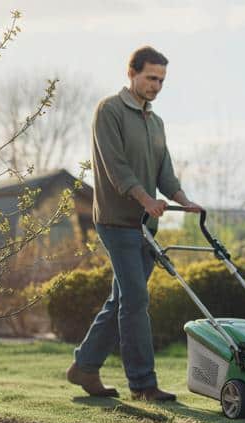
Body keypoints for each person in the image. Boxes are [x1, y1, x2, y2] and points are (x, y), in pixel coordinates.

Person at [66, 45, 201, 402]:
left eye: (161, 80)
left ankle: (85, 366)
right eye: (151, 77)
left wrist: (183, 200)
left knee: (123, 299)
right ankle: (143, 384)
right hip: (117, 220)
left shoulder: (155, 122)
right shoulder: (109, 110)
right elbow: (116, 167)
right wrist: (145, 199)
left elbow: (164, 172)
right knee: (136, 300)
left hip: (146, 225)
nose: (156, 85)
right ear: (132, 73)